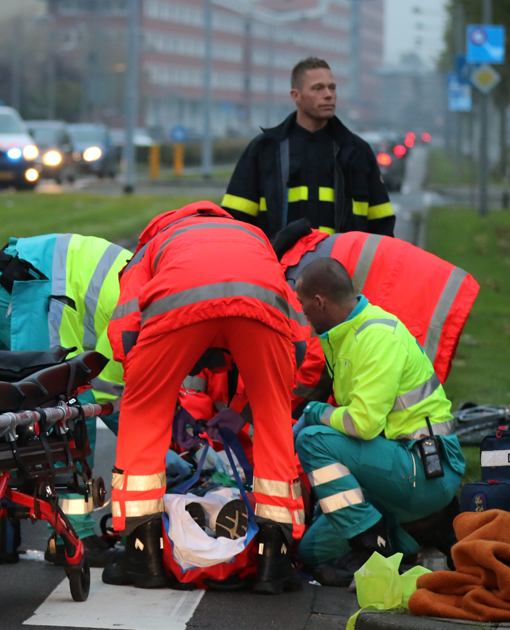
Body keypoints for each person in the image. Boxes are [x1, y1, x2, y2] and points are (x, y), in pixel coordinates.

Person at [102, 201, 305, 593]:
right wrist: (260, 399)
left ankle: (142, 557)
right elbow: (296, 338)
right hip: (260, 307)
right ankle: (273, 563)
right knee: (274, 423)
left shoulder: (156, 243)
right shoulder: (255, 239)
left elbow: (126, 325)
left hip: (178, 305)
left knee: (142, 418)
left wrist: (150, 388)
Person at [292, 258, 465, 587]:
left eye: (303, 304)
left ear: (320, 302)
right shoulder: (344, 336)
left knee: (313, 438)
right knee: (313, 551)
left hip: (426, 467)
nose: (303, 312)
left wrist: (313, 414)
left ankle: (374, 548)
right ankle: (420, 534)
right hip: (397, 468)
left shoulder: (376, 338)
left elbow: (363, 424)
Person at [0, 233, 130, 567]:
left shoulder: (140, 279)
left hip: (7, 280)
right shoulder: (135, 314)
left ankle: (0, 515)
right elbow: (108, 395)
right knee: (70, 411)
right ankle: (71, 535)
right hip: (23, 287)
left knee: (2, 405)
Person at [276, 221, 480, 411]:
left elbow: (315, 358)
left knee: (407, 403)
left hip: (421, 303)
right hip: (436, 290)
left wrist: (284, 405)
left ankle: (419, 445)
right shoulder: (313, 250)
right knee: (411, 387)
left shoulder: (297, 278)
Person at [222, 57, 395, 238]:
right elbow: (236, 222)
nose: (328, 94)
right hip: (279, 265)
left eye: (332, 87)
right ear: (295, 96)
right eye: (318, 88)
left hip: (343, 265)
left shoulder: (357, 152)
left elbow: (382, 226)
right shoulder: (264, 149)